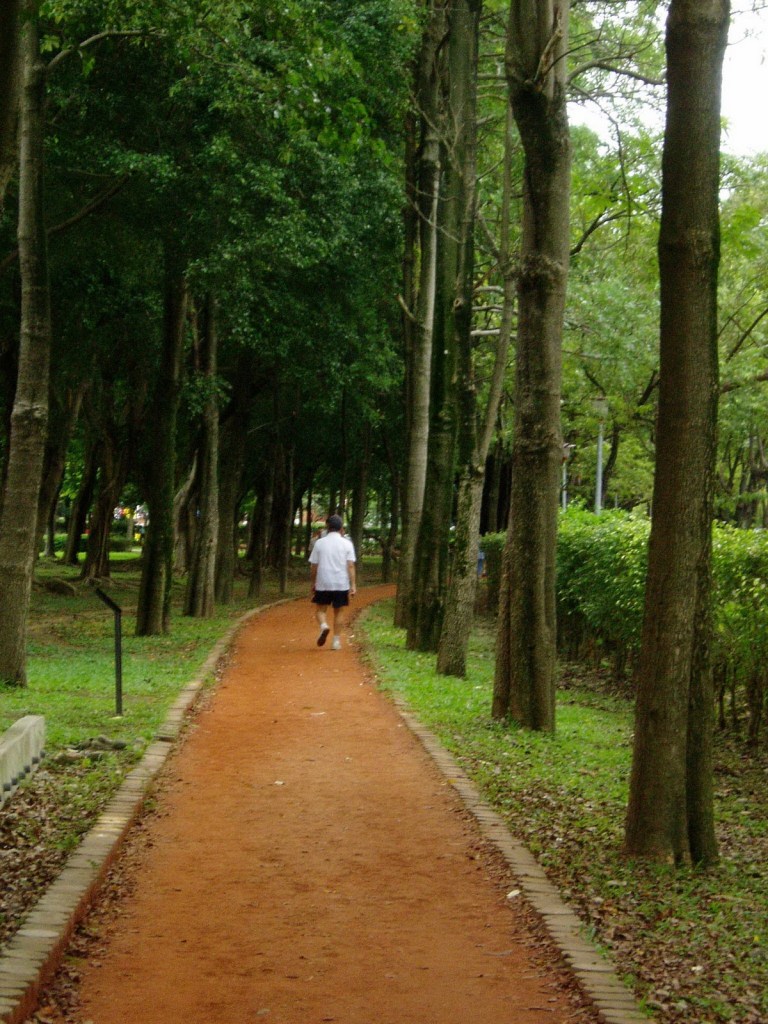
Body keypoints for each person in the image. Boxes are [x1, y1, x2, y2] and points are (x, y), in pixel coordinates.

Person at [308, 513, 356, 650]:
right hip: (341, 583)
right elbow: (351, 565)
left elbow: (314, 566)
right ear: (341, 528)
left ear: (327, 527)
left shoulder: (319, 543)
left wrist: (313, 583)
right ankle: (336, 642)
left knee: (320, 610)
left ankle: (324, 626)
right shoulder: (347, 544)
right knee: (339, 612)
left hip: (323, 582)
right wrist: (353, 585)